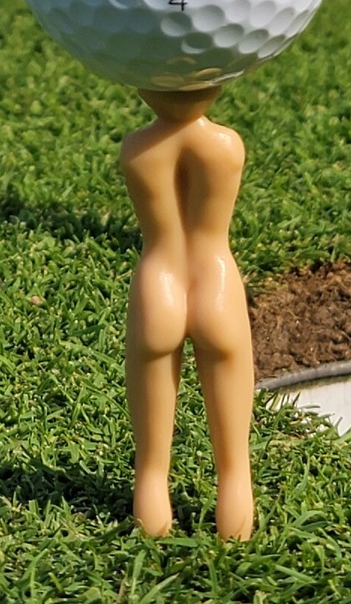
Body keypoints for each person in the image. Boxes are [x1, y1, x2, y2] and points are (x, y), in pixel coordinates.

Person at [121, 85, 254, 540]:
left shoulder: (136, 150)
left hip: (157, 285)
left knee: (150, 465)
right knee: (235, 464)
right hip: (216, 283)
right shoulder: (226, 145)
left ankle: (152, 531)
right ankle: (235, 533)